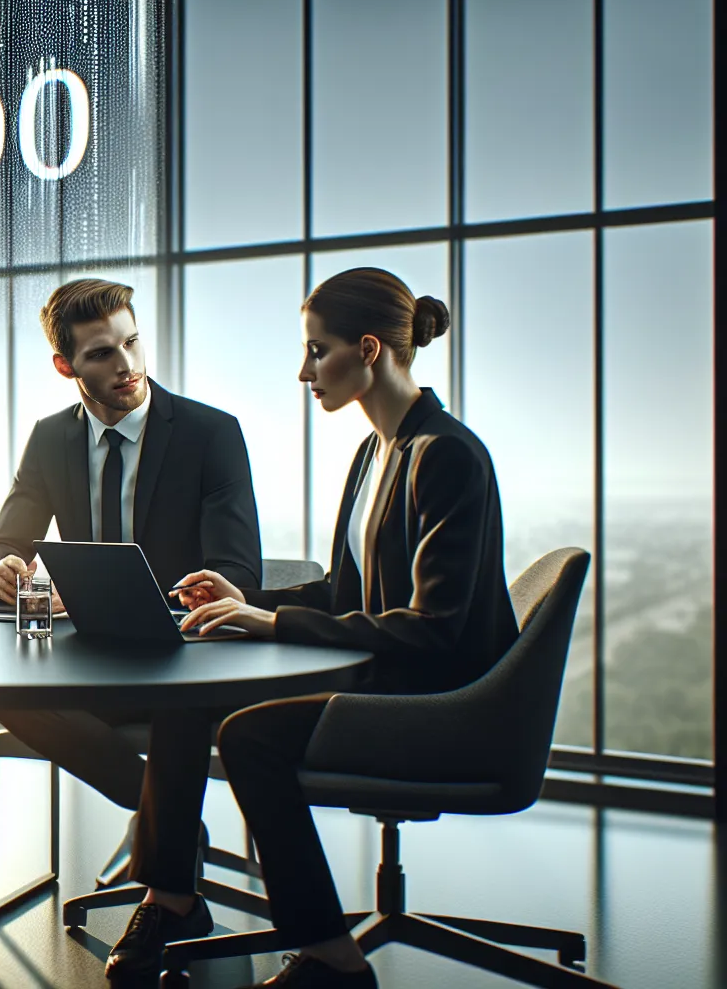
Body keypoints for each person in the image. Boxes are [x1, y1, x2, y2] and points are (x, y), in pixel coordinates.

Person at [177, 268, 516, 989]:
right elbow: (344, 592)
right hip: (396, 681)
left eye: (316, 351)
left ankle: (331, 959)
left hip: (441, 704)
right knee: (194, 707)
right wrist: (251, 597)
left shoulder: (445, 455)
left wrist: (269, 624)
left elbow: (436, 632)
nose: (304, 372)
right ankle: (171, 897)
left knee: (249, 737)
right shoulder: (375, 451)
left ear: (369, 349)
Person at [0, 278, 262, 984]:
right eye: (102, 353)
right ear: (67, 366)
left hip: (185, 660)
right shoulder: (50, 439)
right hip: (94, 658)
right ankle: (166, 821)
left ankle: (170, 899)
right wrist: (2, 572)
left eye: (132, 342)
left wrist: (191, 597)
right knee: (8, 694)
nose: (127, 364)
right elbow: (1, 545)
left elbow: (236, 568)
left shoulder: (209, 432)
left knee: (180, 708)